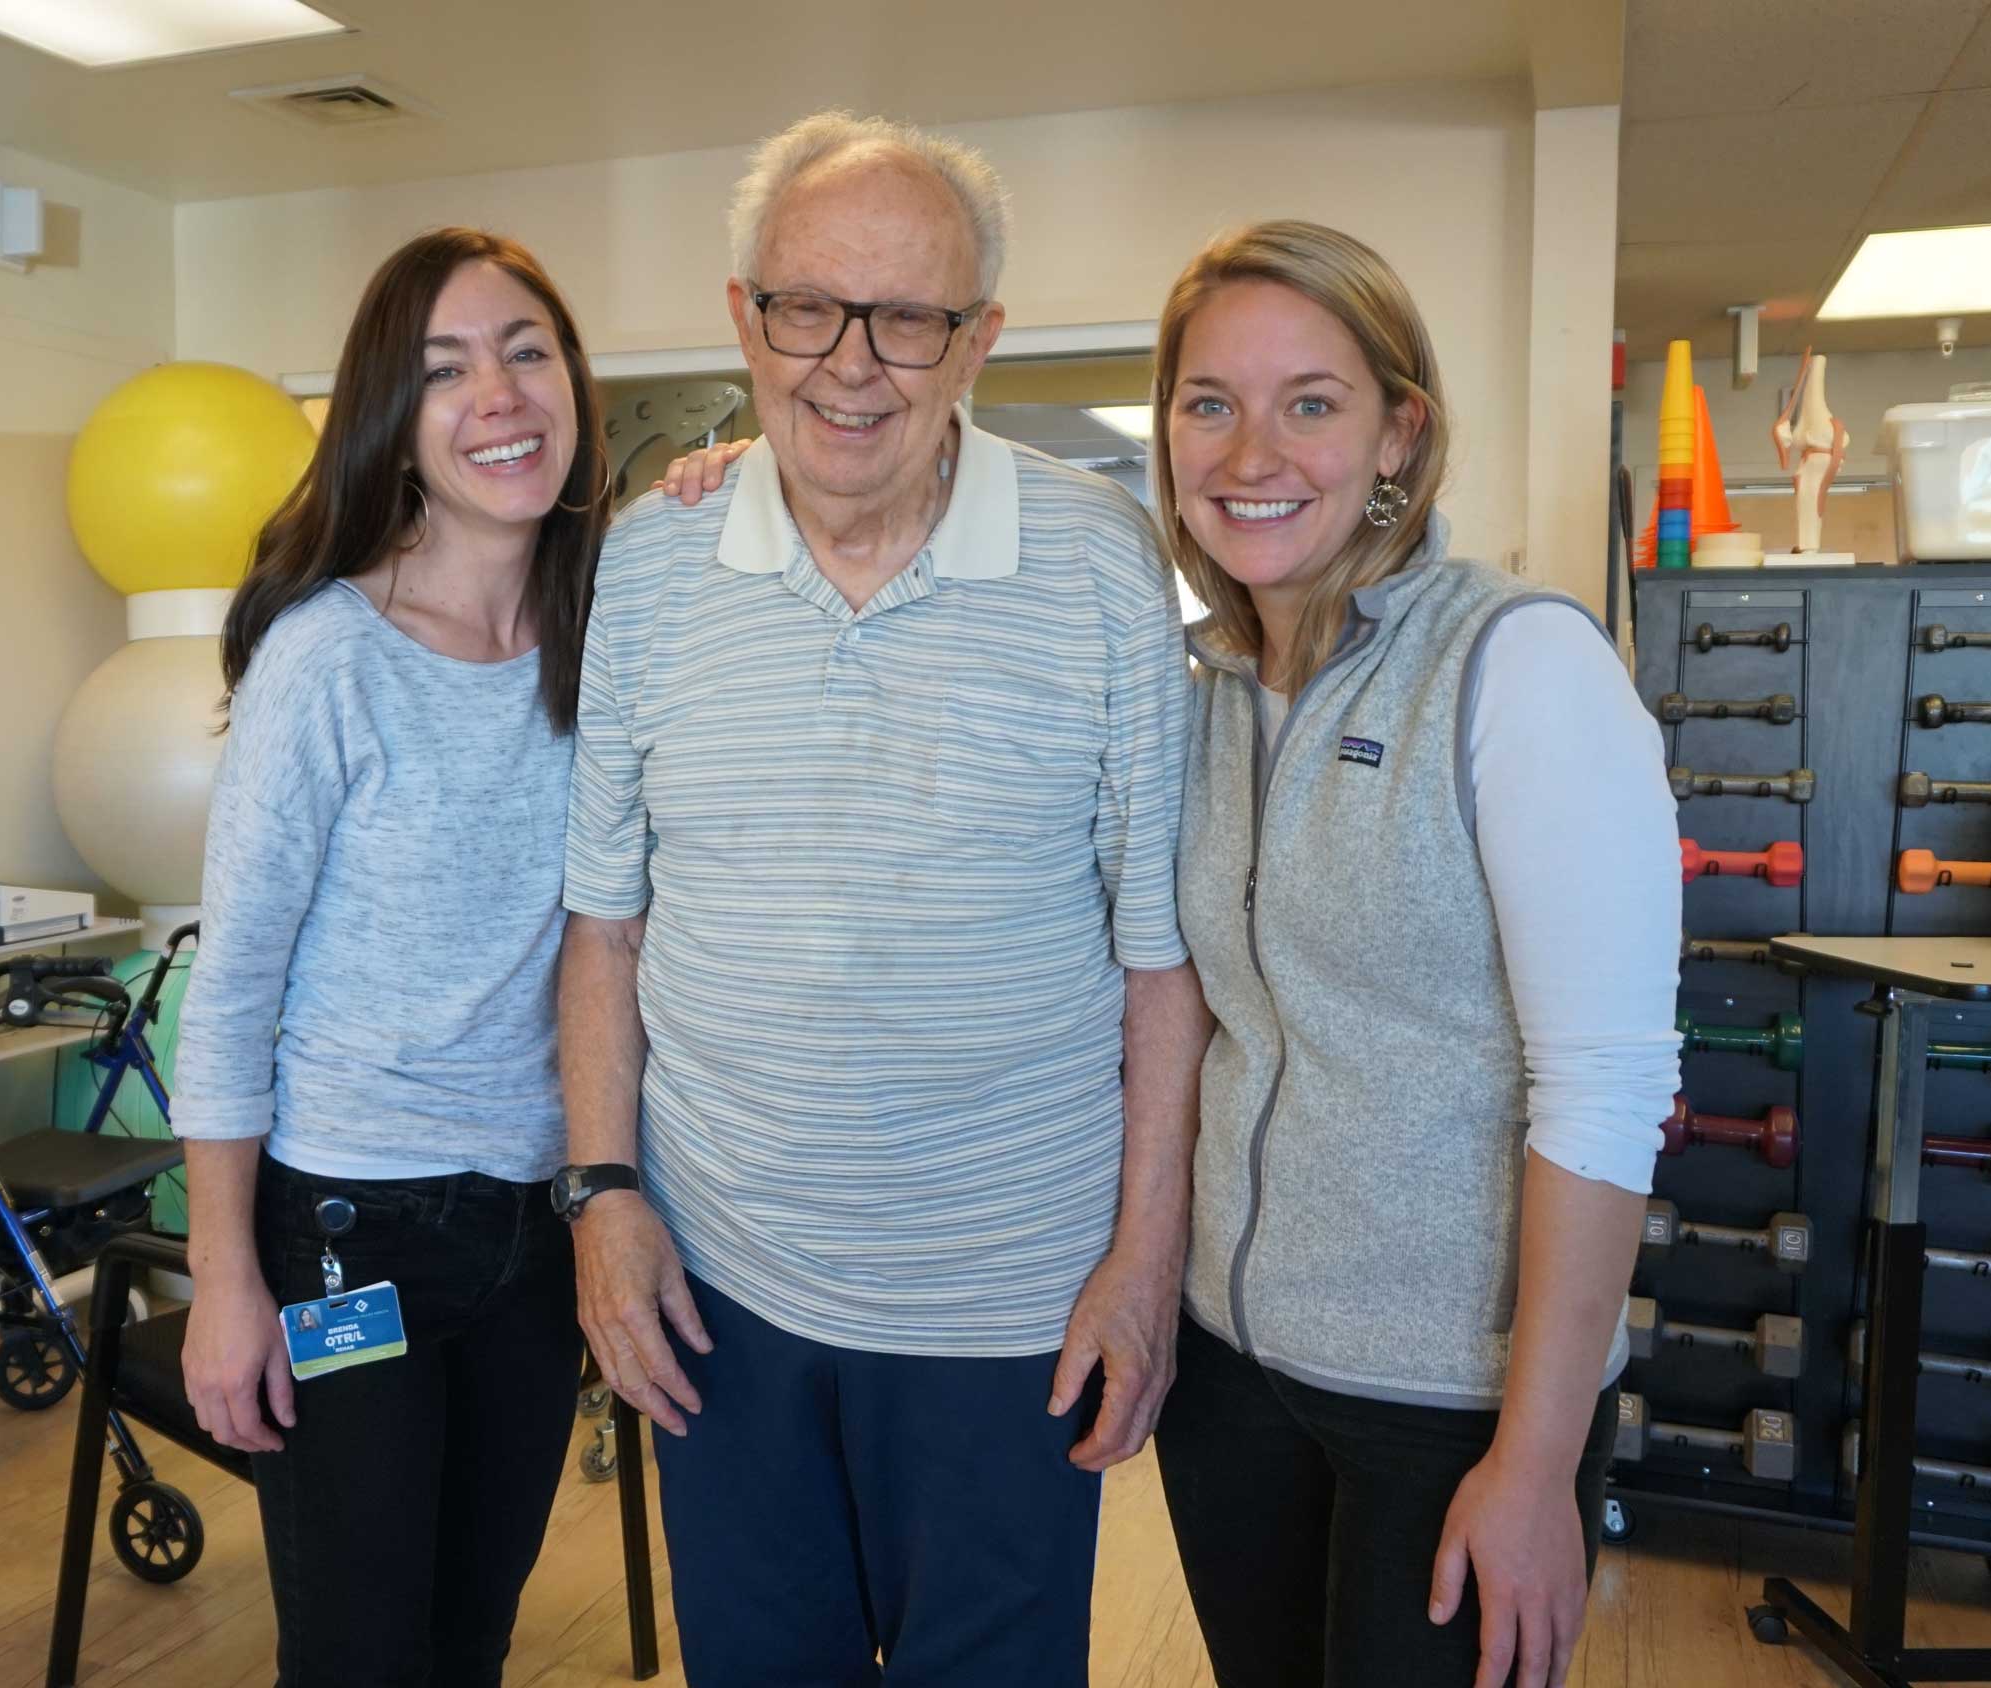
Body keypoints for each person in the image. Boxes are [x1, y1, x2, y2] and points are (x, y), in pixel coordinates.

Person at [557, 112, 1206, 1687]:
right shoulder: (649, 565)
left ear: (976, 340)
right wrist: (602, 1197)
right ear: (743, 318)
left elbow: (1160, 971)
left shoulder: (1104, 562)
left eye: (909, 317)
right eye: (807, 306)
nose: (851, 363)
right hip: (721, 1294)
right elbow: (604, 929)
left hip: (1012, 1303)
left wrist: (1142, 1261)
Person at [1148, 221, 1680, 1688]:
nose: (1251, 449)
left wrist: (1535, 1458)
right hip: (1232, 1376)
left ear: (1400, 430)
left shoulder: (1517, 664)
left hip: (1451, 1408)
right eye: (1208, 402)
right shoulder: (1197, 689)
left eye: (1309, 402)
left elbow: (1605, 1090)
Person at [174, 227, 610, 1688]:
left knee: (471, 1642)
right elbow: (229, 989)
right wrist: (224, 1278)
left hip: (540, 1230)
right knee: (361, 1654)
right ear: (396, 427)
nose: (496, 395)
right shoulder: (330, 656)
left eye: (525, 350)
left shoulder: (611, 630)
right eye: (443, 371)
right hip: (352, 1232)